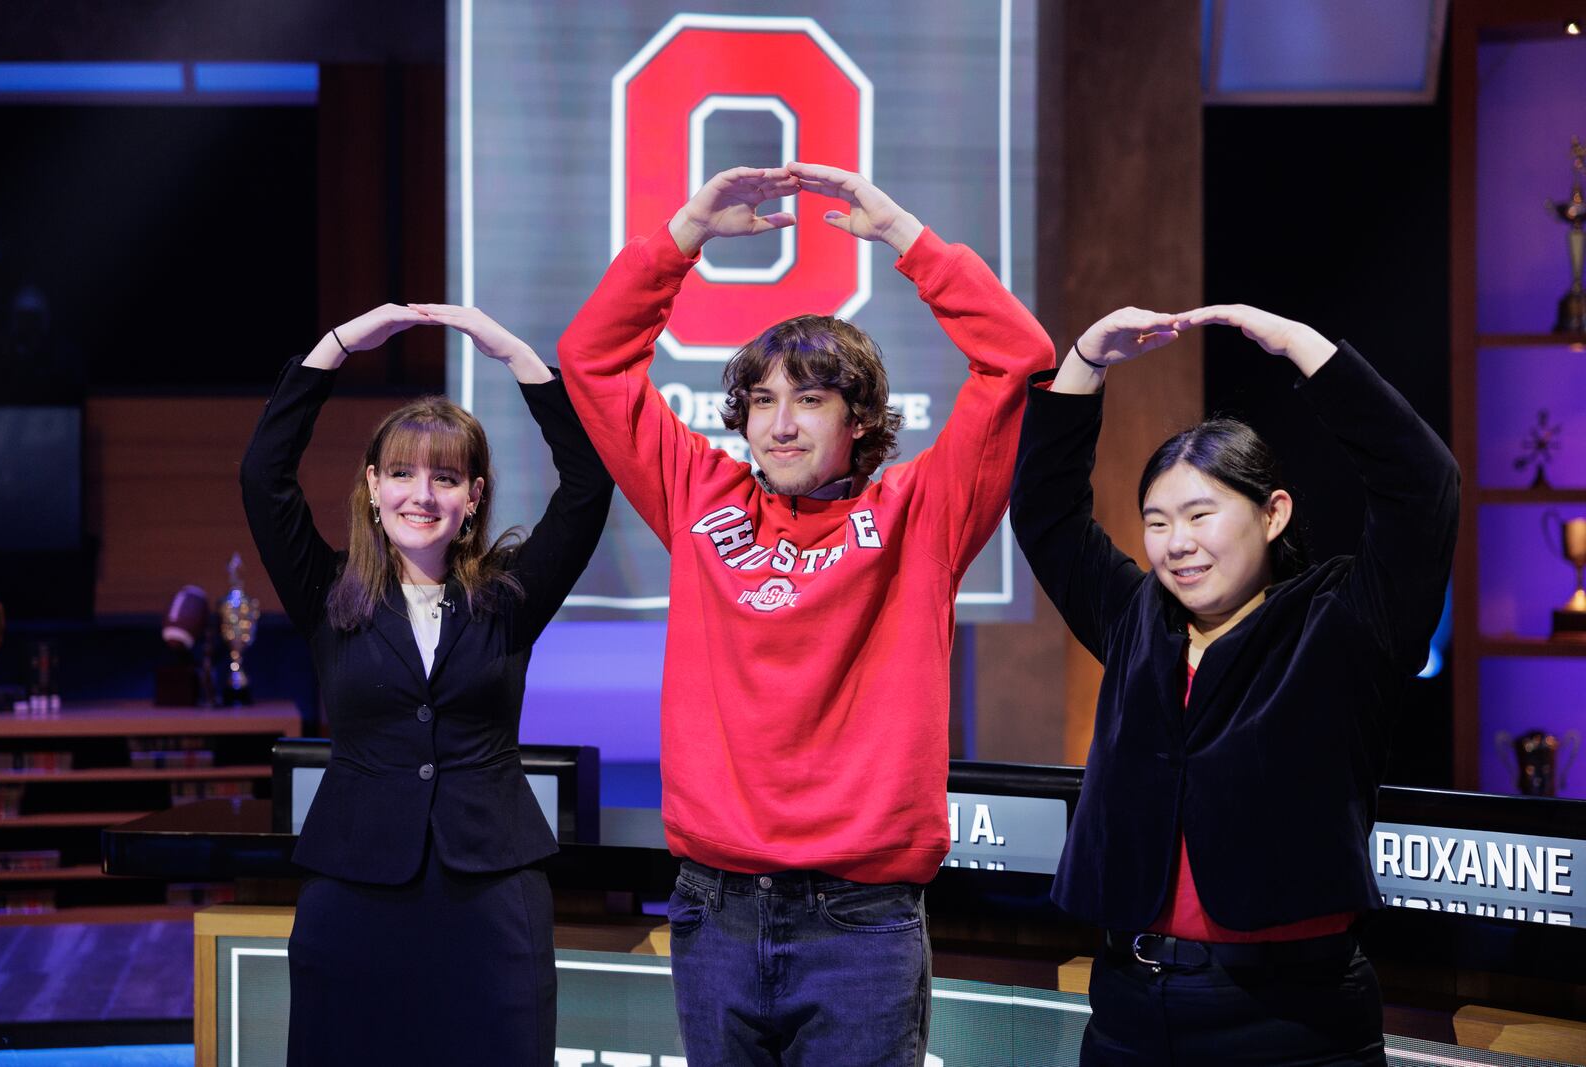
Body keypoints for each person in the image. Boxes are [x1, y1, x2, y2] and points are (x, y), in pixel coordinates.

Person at [559, 162, 1056, 1066]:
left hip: (860, 924)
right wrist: (685, 235)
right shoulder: (698, 498)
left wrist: (908, 236)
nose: (780, 425)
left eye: (811, 400)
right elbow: (591, 357)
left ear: (861, 418)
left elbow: (1018, 355)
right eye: (761, 401)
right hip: (714, 907)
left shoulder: (922, 513)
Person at [1009, 304, 1459, 1065]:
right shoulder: (1135, 617)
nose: (1176, 543)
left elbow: (1423, 486)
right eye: (1156, 521)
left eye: (1200, 513)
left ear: (1273, 512)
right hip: (1129, 1005)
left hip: (1294, 1021)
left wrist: (1302, 347)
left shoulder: (1346, 621)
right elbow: (1047, 513)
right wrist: (1086, 360)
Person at [240, 302, 613, 1067]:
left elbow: (587, 486)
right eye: (403, 473)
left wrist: (513, 351)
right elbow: (263, 476)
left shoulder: (507, 598)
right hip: (354, 889)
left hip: (492, 896)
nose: (422, 494)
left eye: (446, 477)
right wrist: (337, 346)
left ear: (473, 496)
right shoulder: (329, 593)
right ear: (373, 487)